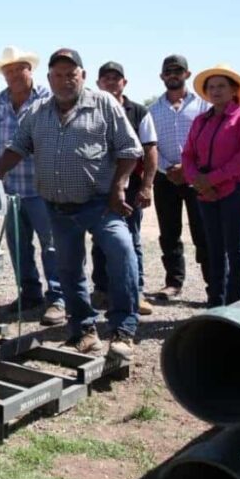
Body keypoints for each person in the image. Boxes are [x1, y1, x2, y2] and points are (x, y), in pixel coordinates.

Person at [0, 49, 143, 361]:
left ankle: (123, 330)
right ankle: (84, 331)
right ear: (49, 79)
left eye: (71, 74)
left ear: (82, 76)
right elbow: (17, 147)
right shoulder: (38, 111)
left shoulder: (104, 103)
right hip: (58, 208)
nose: (65, 81)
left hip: (101, 204)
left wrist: (119, 187)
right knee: (69, 270)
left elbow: (130, 149)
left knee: (122, 252)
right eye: (58, 75)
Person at [0, 46, 64, 327]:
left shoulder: (47, 98)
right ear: (4, 75)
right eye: (10, 70)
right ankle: (30, 294)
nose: (15, 74)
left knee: (51, 245)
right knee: (18, 246)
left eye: (20, 69)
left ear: (31, 70)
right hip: (10, 188)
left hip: (43, 186)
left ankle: (58, 298)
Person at [182, 64, 240, 307]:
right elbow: (188, 155)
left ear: (234, 90)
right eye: (211, 87)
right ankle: (216, 304)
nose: (216, 91)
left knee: (234, 250)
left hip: (234, 191)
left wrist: (212, 179)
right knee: (214, 249)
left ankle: (237, 307)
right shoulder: (201, 120)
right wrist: (198, 181)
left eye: (221, 86)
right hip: (206, 194)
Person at [90, 62, 158, 317]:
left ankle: (135, 291)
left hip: (130, 187)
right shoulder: (89, 110)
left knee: (131, 239)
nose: (110, 82)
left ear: (124, 83)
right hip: (98, 186)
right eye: (105, 78)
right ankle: (102, 289)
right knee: (99, 239)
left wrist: (147, 186)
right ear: (98, 83)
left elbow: (150, 150)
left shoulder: (139, 112)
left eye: (115, 78)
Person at [148, 54, 211, 301]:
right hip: (165, 179)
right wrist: (168, 169)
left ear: (187, 74)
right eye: (168, 71)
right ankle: (173, 282)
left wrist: (187, 169)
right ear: (161, 76)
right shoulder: (153, 110)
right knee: (169, 232)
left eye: (178, 70)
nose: (173, 75)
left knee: (203, 232)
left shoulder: (204, 106)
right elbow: (150, 145)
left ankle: (214, 285)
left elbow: (208, 141)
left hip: (198, 178)